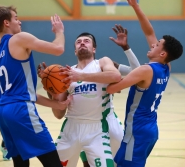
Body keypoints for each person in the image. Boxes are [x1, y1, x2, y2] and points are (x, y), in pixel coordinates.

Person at [37, 25, 140, 167]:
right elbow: (58, 113)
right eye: (78, 42)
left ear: (94, 49)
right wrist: (51, 88)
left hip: (101, 125)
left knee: (119, 162)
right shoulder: (67, 73)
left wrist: (80, 76)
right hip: (72, 127)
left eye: (86, 41)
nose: (82, 43)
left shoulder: (102, 63)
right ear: (75, 50)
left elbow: (116, 75)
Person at [106, 0, 183, 167]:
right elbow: (149, 32)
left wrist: (104, 70)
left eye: (157, 45)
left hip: (137, 131)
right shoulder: (165, 67)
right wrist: (135, 5)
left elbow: (112, 88)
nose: (153, 45)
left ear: (163, 53)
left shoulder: (146, 70)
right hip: (149, 130)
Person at [0, 5, 70, 167]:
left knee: (21, 164)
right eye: (16, 18)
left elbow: (24, 93)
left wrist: (55, 103)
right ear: (6, 23)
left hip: (4, 112)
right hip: (21, 111)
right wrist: (59, 31)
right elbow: (58, 49)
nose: (20, 21)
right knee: (53, 162)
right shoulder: (19, 38)